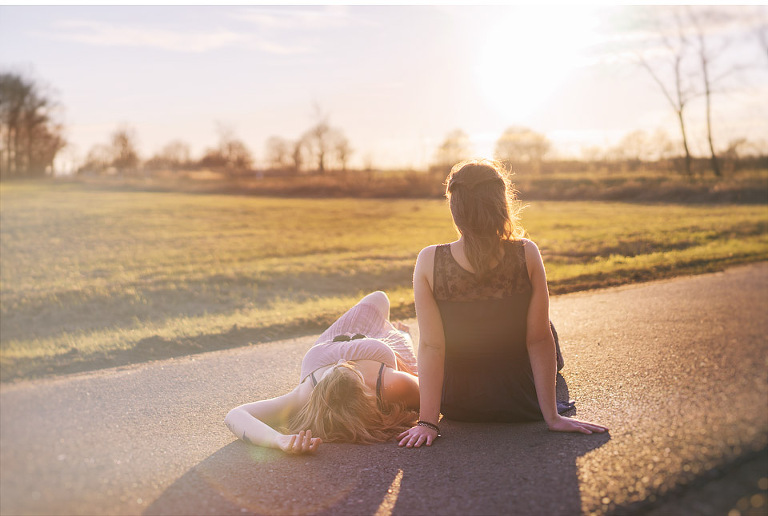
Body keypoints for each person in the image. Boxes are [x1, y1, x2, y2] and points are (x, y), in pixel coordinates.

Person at [398, 159, 608, 448]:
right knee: (547, 328)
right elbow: (538, 339)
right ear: (501, 204)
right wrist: (552, 417)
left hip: (460, 403)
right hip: (522, 402)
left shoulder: (428, 260)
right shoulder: (527, 252)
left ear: (455, 208)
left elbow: (433, 346)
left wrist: (428, 422)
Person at [225, 291, 420, 454]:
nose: (343, 359)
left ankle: (398, 331)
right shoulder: (390, 384)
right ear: (366, 392)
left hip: (330, 342)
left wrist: (279, 441)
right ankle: (402, 333)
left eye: (336, 368)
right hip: (386, 348)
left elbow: (235, 415)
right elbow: (437, 390)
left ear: (320, 391)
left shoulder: (306, 394)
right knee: (387, 313)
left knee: (379, 298)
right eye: (350, 368)